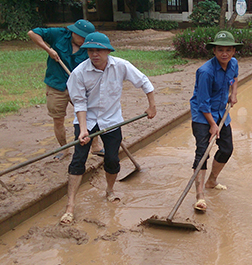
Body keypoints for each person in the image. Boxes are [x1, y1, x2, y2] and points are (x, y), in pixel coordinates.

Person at [60, 32, 156, 224]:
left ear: (107, 51)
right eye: (91, 51)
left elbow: (144, 82)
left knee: (112, 159)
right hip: (86, 119)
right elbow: (79, 103)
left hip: (112, 120)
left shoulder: (120, 65)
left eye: (99, 50)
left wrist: (151, 105)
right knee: (78, 160)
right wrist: (84, 129)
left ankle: (110, 191)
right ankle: (70, 205)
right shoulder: (80, 72)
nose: (95, 54)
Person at [28, 20, 104, 160]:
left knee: (91, 115)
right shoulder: (59, 34)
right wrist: (48, 49)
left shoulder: (90, 46)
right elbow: (32, 33)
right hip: (57, 85)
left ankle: (95, 146)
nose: (83, 40)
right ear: (74, 32)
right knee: (58, 120)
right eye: (81, 37)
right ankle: (64, 148)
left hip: (80, 87)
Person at [189, 31, 241, 211]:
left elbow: (234, 79)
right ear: (214, 51)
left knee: (227, 149)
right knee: (203, 153)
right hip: (202, 116)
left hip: (221, 112)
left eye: (228, 50)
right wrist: (212, 125)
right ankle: (200, 196)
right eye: (220, 50)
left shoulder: (233, 63)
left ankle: (212, 181)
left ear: (233, 51)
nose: (224, 53)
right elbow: (203, 103)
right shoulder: (205, 72)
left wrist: (233, 94)